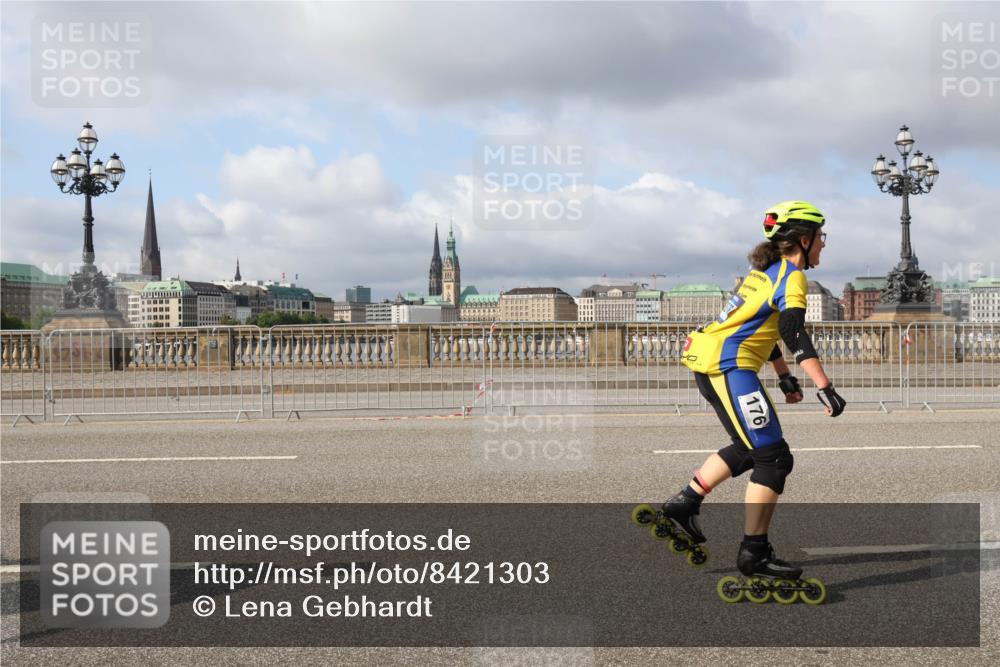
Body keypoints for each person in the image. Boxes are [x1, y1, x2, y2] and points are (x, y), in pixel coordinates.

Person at [667, 200, 847, 580]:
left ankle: (686, 502)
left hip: (716, 362)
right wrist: (824, 385)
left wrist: (783, 375)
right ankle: (754, 553)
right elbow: (792, 331)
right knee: (774, 459)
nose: (824, 244)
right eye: (821, 237)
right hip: (728, 367)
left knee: (754, 449)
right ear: (804, 238)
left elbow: (760, 328)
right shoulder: (792, 277)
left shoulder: (764, 271)